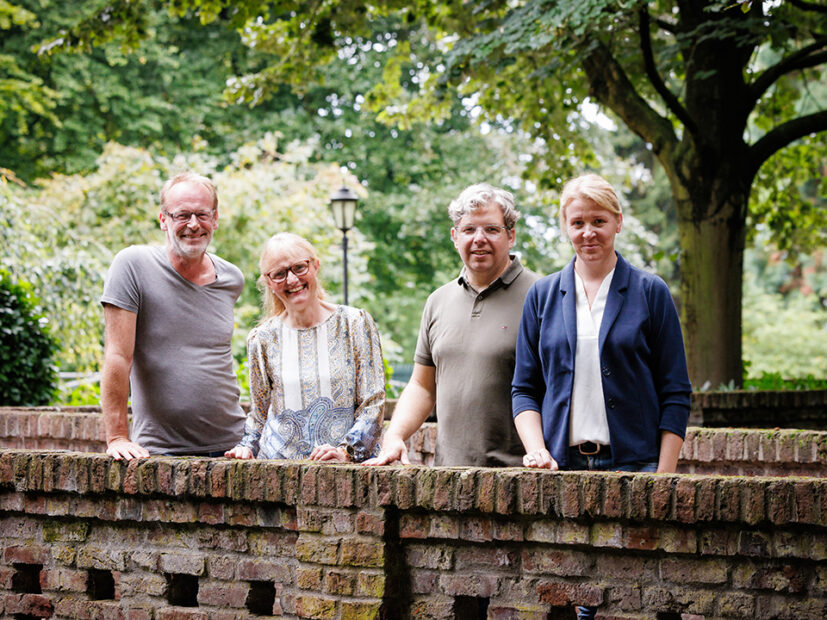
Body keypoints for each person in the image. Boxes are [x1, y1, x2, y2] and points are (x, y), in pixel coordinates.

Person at [511, 173, 692, 619]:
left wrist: (662, 476)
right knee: (572, 600)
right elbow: (524, 389)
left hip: (636, 466)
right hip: (564, 469)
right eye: (577, 223)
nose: (588, 232)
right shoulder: (542, 296)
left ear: (617, 223)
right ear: (565, 227)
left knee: (644, 596)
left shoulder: (651, 292)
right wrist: (537, 451)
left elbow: (676, 392)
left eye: (598, 221)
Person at [365, 183, 540, 467]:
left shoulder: (541, 296)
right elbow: (422, 387)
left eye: (492, 229)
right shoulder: (438, 301)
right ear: (454, 237)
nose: (479, 239)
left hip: (522, 479)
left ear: (511, 236)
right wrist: (394, 435)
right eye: (469, 230)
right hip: (449, 480)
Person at [100, 171, 246, 460]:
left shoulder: (231, 278)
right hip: (160, 452)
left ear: (215, 219)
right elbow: (117, 356)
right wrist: (117, 437)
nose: (194, 224)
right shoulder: (132, 265)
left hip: (233, 448)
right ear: (163, 220)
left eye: (202, 214)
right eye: (182, 215)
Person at [225, 233, 385, 462]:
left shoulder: (355, 323)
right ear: (269, 283)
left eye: (299, 268)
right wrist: (246, 446)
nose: (291, 280)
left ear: (315, 266)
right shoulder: (261, 339)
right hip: (278, 475)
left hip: (347, 477)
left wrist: (344, 453)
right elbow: (259, 415)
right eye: (279, 274)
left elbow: (373, 404)